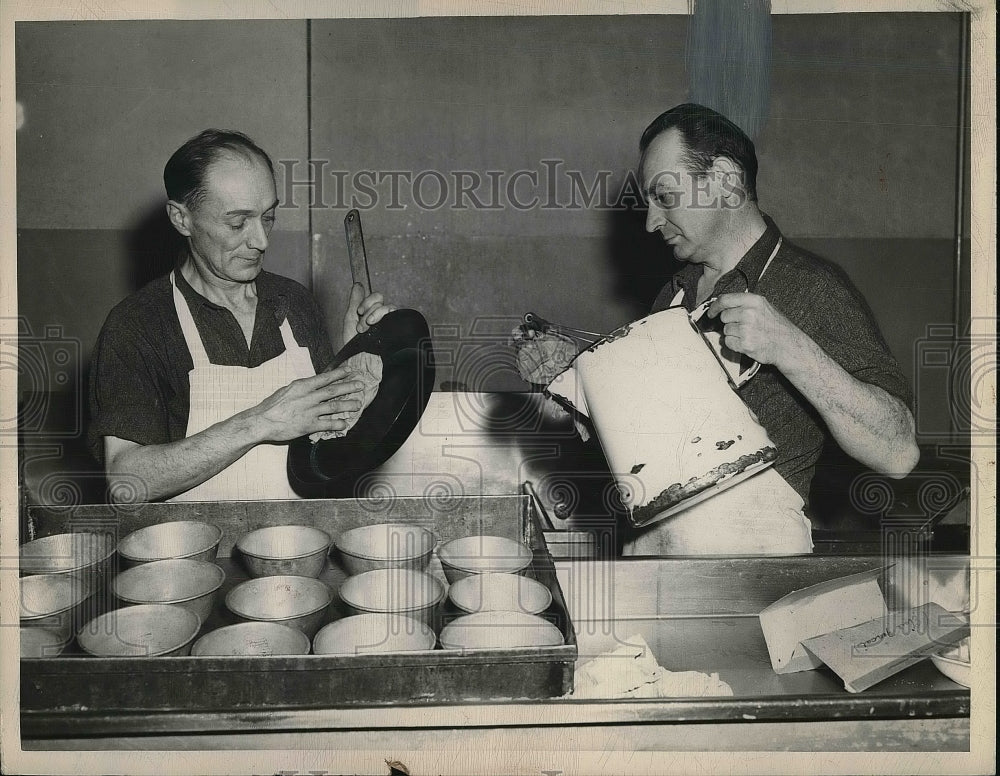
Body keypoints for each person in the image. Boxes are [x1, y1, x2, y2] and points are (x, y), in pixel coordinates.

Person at [620, 103, 920, 554]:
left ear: (723, 178)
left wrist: (791, 348)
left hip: (751, 562)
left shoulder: (812, 288)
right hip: (654, 551)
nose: (650, 222)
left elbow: (899, 453)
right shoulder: (672, 297)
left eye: (664, 196)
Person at [88, 129, 395, 503]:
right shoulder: (138, 325)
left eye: (268, 217)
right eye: (238, 223)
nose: (261, 241)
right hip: (191, 552)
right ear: (181, 219)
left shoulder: (294, 303)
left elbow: (329, 453)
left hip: (297, 546)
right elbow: (126, 481)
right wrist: (262, 421)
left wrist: (354, 373)